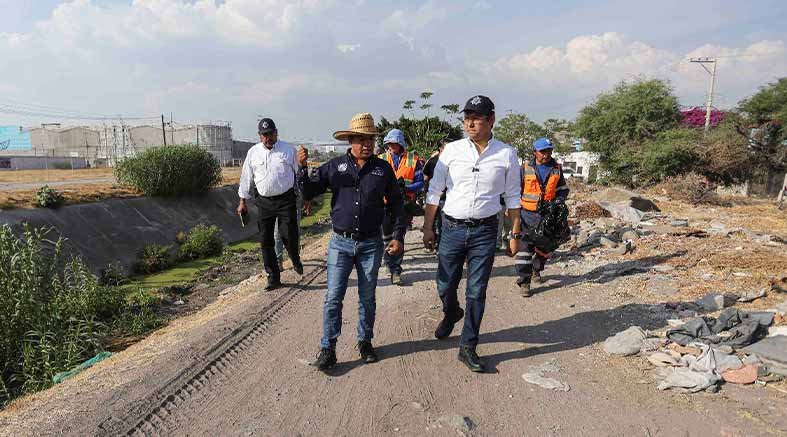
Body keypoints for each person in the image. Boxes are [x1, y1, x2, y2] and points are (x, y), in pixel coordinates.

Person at [300, 112, 407, 371]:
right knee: (333, 297)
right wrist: (302, 167)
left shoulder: (382, 170)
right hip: (341, 243)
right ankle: (328, 348)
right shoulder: (335, 167)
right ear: (350, 140)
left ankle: (365, 341)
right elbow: (309, 190)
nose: (367, 144)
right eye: (361, 139)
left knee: (367, 297)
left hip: (371, 244)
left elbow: (396, 204)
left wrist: (397, 236)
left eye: (370, 139)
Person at [422, 95, 522, 373]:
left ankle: (468, 346)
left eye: (476, 118)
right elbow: (435, 191)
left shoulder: (506, 154)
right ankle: (451, 311)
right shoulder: (452, 151)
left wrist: (515, 233)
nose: (470, 123)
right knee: (444, 284)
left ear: (491, 120)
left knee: (477, 291)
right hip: (452, 228)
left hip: (485, 231)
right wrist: (428, 227)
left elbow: (513, 196)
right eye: (467, 118)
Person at [237, 118, 304, 291]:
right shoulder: (253, 153)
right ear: (260, 136)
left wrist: (306, 197)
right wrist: (242, 201)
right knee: (266, 240)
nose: (267, 138)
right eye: (264, 135)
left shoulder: (288, 150)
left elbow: (300, 174)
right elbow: (246, 178)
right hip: (264, 202)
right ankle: (273, 277)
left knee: (288, 234)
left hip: (286, 200)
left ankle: (294, 257)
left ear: (276, 133)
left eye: (270, 134)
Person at [515, 137, 569, 297]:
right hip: (527, 215)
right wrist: (513, 212)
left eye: (549, 151)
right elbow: (515, 190)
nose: (546, 154)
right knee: (525, 250)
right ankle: (524, 282)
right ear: (535, 152)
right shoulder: (525, 168)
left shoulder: (556, 168)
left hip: (548, 216)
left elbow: (563, 189)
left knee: (546, 247)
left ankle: (536, 268)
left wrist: (559, 200)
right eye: (543, 151)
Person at [379, 128, 424, 285]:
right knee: (386, 237)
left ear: (401, 144)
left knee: (399, 237)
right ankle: (388, 261)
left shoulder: (413, 160)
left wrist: (407, 188)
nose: (391, 146)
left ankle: (396, 271)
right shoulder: (381, 159)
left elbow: (420, 182)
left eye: (394, 143)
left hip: (404, 205)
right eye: (389, 143)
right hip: (384, 205)